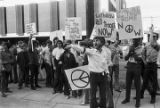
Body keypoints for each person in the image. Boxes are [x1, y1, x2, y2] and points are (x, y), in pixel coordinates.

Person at [67, 36, 111, 108]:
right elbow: (81, 49)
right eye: (94, 41)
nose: (95, 42)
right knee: (92, 96)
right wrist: (71, 45)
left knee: (103, 95)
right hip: (93, 76)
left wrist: (108, 73)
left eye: (97, 41)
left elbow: (105, 64)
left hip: (103, 76)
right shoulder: (91, 51)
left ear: (102, 43)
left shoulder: (104, 52)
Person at [121, 38, 143, 108]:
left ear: (138, 41)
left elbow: (140, 59)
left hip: (137, 67)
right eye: (133, 40)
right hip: (129, 66)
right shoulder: (129, 47)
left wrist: (133, 53)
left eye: (136, 40)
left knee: (137, 85)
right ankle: (127, 98)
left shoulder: (141, 49)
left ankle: (138, 102)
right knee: (128, 84)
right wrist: (129, 52)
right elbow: (125, 58)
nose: (134, 41)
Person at [141, 39, 159, 104]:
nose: (154, 38)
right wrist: (144, 61)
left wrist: (153, 43)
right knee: (145, 80)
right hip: (148, 65)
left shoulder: (157, 46)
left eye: (155, 37)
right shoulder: (147, 45)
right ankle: (141, 94)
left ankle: (153, 97)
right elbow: (142, 53)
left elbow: (154, 45)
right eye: (153, 37)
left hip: (154, 65)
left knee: (154, 82)